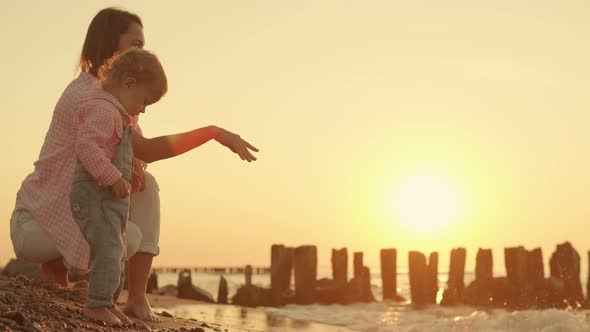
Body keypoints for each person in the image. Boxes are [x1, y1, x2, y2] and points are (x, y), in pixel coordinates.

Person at [10, 7, 258, 322]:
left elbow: (141, 153)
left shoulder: (113, 99)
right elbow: (144, 149)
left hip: (64, 214)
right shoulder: (91, 99)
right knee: (127, 227)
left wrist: (133, 165)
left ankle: (133, 297)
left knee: (143, 186)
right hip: (34, 226)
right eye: (136, 44)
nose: (144, 52)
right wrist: (213, 133)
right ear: (110, 43)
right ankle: (61, 272)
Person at [72, 48, 167, 325]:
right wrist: (112, 177)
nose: (145, 108)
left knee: (116, 248)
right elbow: (86, 146)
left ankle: (107, 301)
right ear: (128, 83)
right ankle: (97, 305)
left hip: (106, 198)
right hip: (93, 195)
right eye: (146, 100)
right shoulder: (103, 110)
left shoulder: (116, 113)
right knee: (110, 249)